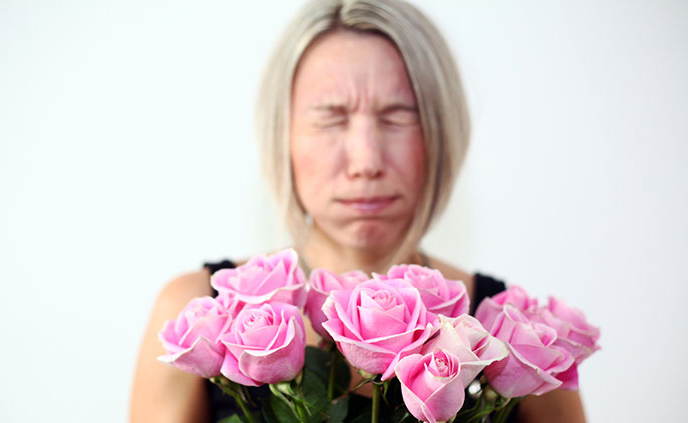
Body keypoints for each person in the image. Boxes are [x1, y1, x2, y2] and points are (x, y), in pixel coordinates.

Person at [130, 0, 587, 422]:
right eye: (331, 117)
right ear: (282, 136)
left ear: (441, 132)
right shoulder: (193, 316)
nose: (366, 161)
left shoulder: (523, 340)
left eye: (398, 115)